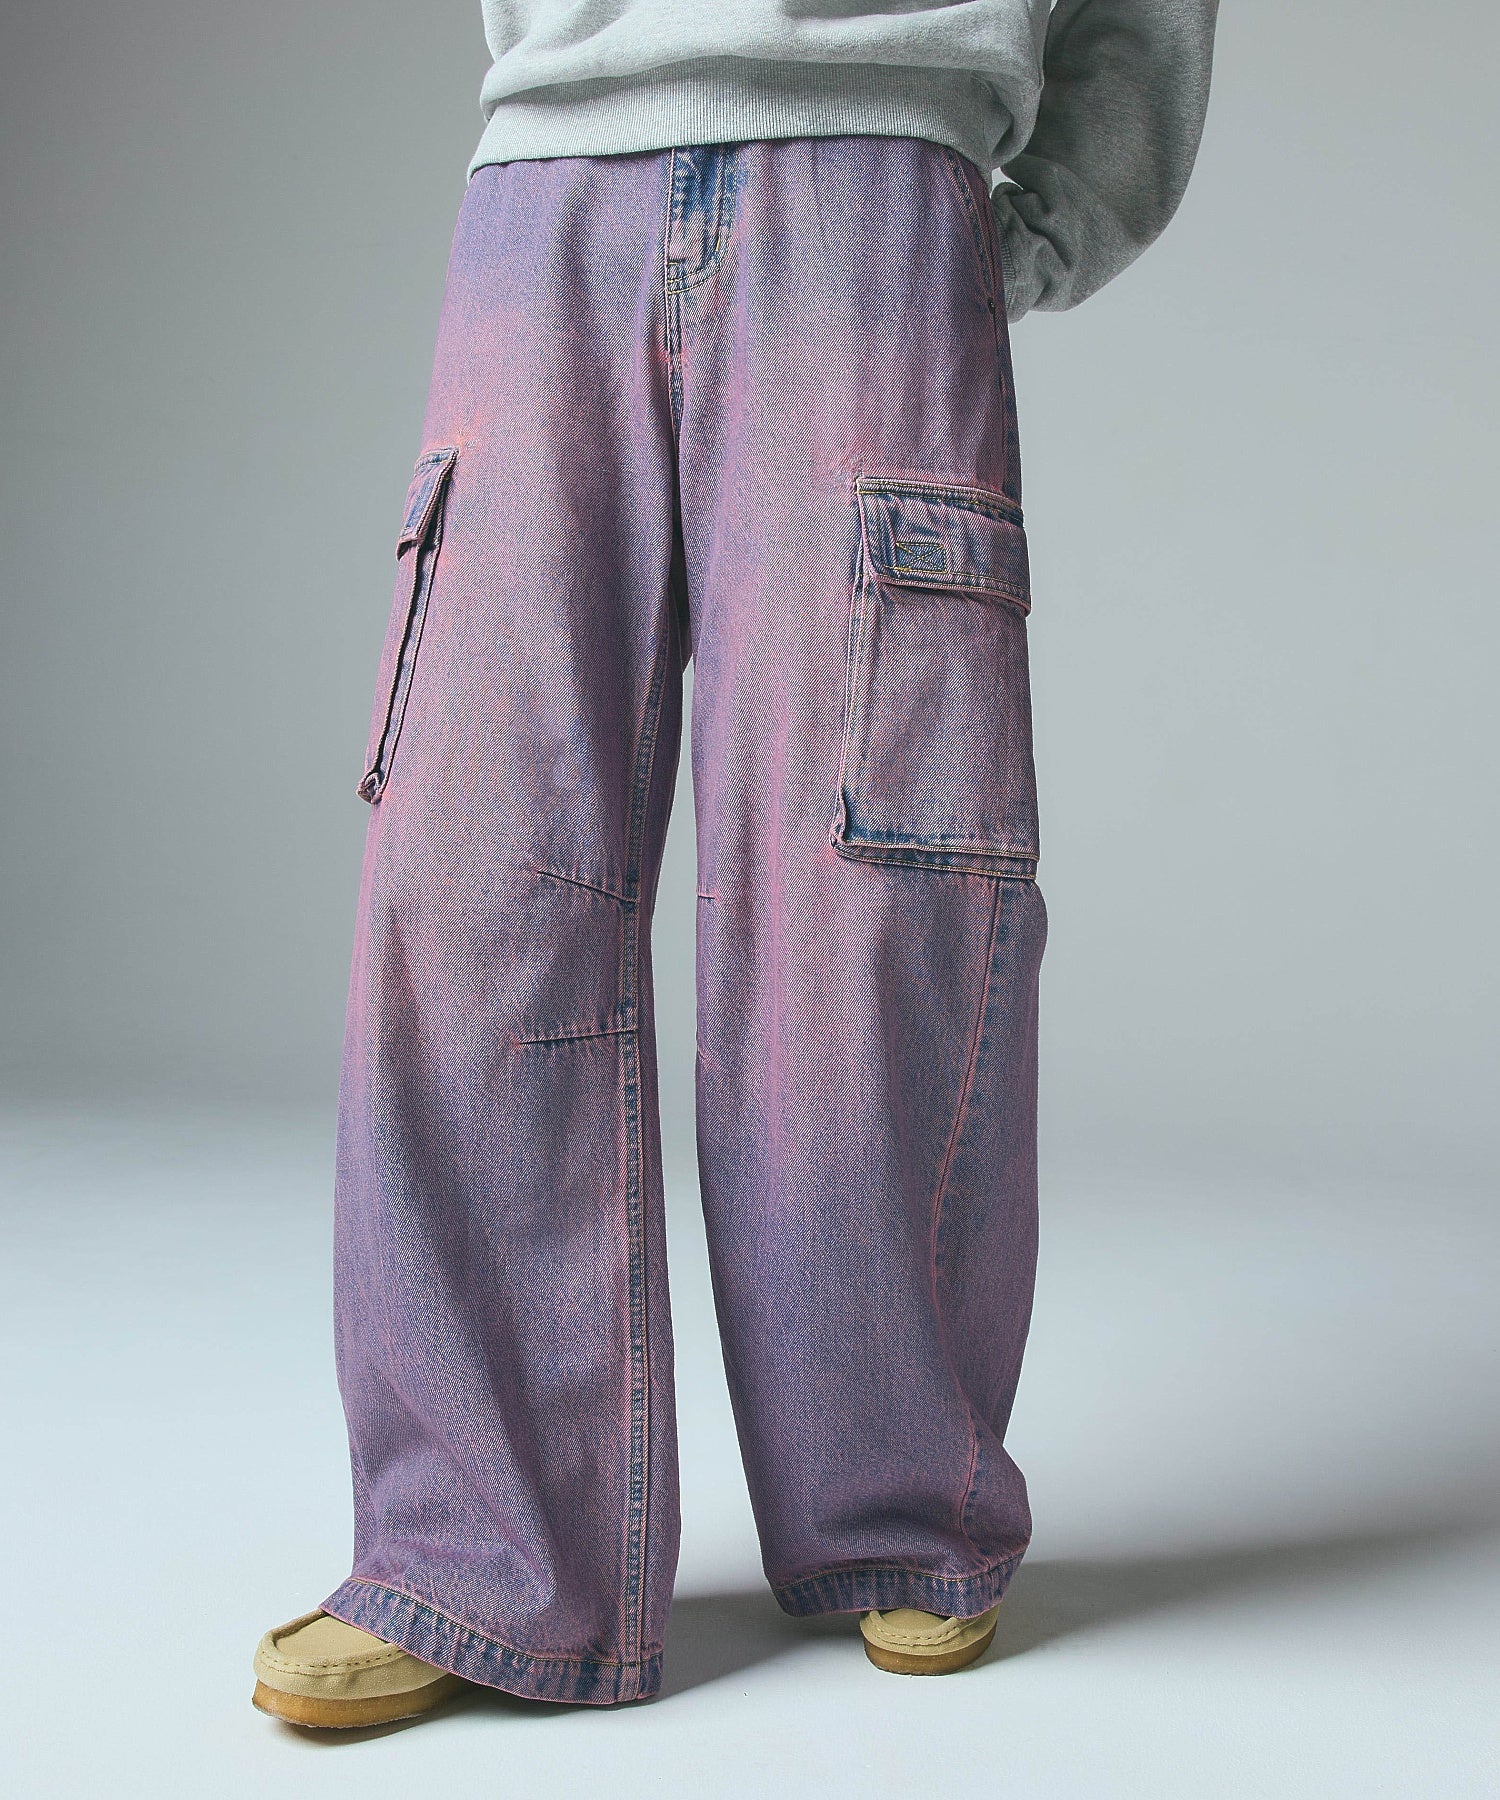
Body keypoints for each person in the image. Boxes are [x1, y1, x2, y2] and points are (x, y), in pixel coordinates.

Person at [251, 0, 1220, 1729]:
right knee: (464, 880)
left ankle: (894, 1504)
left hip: (878, 177)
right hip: (547, 182)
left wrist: (1025, 224)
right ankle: (473, 1549)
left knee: (869, 896)